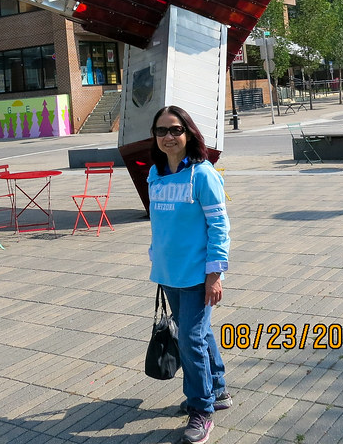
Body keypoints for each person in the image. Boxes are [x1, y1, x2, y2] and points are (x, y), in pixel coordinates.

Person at [147, 105, 230, 444]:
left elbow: (220, 227)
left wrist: (215, 273)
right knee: (197, 334)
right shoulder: (155, 174)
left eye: (175, 130)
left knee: (190, 340)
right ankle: (219, 389)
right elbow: (160, 225)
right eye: (161, 130)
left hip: (197, 275)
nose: (168, 136)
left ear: (188, 133)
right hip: (168, 274)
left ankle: (201, 409)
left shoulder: (203, 174)